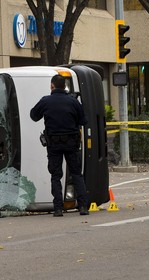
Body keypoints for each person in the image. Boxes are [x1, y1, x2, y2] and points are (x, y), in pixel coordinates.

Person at [30, 74, 89, 217]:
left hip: (54, 145)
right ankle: (82, 207)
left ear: (52, 86)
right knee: (76, 174)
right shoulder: (73, 102)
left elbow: (33, 115)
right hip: (71, 143)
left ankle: (58, 208)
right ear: (65, 86)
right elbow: (83, 121)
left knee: (56, 175)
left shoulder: (46, 101)